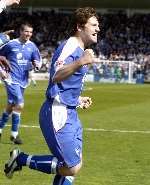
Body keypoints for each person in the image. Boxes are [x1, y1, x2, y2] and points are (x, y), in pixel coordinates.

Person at [4, 7, 100, 185]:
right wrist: (81, 61)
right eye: (94, 25)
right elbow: (56, 75)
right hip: (58, 113)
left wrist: (78, 99)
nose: (98, 29)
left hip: (70, 111)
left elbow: (65, 85)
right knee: (71, 166)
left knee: (74, 166)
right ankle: (21, 159)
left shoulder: (80, 49)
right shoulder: (71, 46)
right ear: (80, 26)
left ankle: (21, 159)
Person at [0, 22, 41, 144]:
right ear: (21, 32)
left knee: (11, 105)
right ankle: (14, 135)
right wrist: (1, 71)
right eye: (26, 31)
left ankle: (0, 129)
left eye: (30, 32)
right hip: (11, 78)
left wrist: (36, 65)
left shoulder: (32, 46)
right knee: (20, 104)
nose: (28, 34)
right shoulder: (11, 44)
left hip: (23, 80)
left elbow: (37, 59)